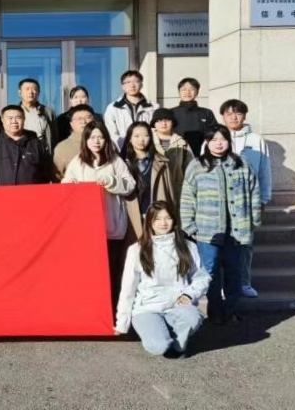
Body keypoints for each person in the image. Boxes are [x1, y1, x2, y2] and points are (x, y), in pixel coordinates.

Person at [181, 125, 261, 325]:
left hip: (237, 229)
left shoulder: (242, 163)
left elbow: (254, 192)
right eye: (213, 139)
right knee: (211, 272)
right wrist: (189, 225)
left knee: (234, 271)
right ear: (207, 142)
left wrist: (254, 219)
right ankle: (215, 311)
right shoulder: (197, 165)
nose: (218, 143)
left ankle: (231, 310)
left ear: (229, 141)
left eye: (222, 139)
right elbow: (188, 197)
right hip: (207, 230)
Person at [114, 202, 211, 358]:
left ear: (174, 220)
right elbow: (128, 289)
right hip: (147, 309)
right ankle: (159, 332)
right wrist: (122, 323)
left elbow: (202, 277)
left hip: (177, 307)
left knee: (193, 317)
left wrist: (189, 294)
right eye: (157, 219)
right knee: (158, 346)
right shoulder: (136, 250)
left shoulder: (188, 246)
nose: (163, 223)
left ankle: (179, 345)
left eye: (168, 218)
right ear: (149, 222)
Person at [62, 121, 135, 309]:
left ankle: (114, 311)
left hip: (112, 227)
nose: (96, 141)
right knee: (90, 273)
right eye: (92, 137)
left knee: (113, 271)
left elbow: (130, 185)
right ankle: (91, 310)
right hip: (86, 230)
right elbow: (65, 187)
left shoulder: (115, 161)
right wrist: (72, 187)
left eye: (100, 137)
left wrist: (111, 181)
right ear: (85, 140)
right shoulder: (78, 161)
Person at [221, 99, 272, 299]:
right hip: (222, 199)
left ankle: (244, 282)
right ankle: (223, 284)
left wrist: (264, 199)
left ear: (244, 115)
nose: (234, 117)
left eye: (238, 113)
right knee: (222, 242)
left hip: (247, 200)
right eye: (229, 113)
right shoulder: (215, 138)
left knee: (245, 244)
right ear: (223, 116)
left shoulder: (256, 140)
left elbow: (264, 171)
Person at [120, 122, 178, 243]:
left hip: (157, 216)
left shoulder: (162, 162)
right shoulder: (122, 164)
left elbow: (170, 193)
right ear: (129, 139)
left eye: (145, 135)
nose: (141, 140)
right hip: (131, 216)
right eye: (136, 136)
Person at [0, 105, 54, 185]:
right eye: (10, 118)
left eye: (18, 118)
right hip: (3, 192)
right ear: (2, 120)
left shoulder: (36, 144)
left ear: (24, 119)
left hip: (32, 192)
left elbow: (47, 172)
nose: (14, 121)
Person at [103, 70, 158, 150]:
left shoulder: (153, 107)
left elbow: (155, 131)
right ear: (122, 86)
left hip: (147, 150)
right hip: (122, 150)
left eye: (136, 81)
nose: (132, 85)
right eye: (128, 82)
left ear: (141, 84)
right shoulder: (113, 108)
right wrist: (124, 148)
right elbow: (111, 133)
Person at [150, 108, 193, 205]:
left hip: (177, 188)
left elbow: (191, 168)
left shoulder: (182, 143)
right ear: (154, 124)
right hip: (155, 187)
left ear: (173, 122)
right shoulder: (149, 142)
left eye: (167, 120)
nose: (163, 123)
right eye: (159, 120)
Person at [171, 78, 217, 157]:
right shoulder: (171, 112)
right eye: (184, 89)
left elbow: (214, 134)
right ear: (179, 92)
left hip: (202, 155)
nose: (187, 92)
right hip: (176, 154)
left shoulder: (207, 113)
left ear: (197, 92)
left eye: (191, 89)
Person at [53, 105, 96, 181]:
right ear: (71, 124)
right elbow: (57, 177)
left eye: (88, 117)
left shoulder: (106, 142)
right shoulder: (62, 147)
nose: (84, 122)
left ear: (94, 120)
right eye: (79, 119)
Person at [17, 78, 57, 153]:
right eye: (27, 89)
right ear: (20, 92)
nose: (31, 92)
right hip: (21, 151)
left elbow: (55, 136)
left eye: (34, 89)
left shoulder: (48, 112)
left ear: (38, 93)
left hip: (43, 152)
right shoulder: (14, 112)